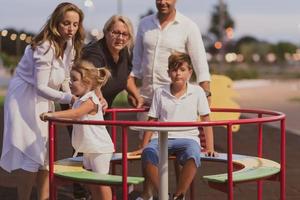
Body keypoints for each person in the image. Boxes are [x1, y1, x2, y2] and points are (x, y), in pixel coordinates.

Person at [0, 2, 85, 200]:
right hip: (24, 99)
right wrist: (69, 98)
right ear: (56, 23)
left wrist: (73, 96)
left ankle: (44, 198)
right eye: (66, 23)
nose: (71, 29)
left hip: (44, 98)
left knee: (46, 155)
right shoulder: (45, 46)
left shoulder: (69, 44)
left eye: (75, 24)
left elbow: (64, 77)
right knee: (33, 153)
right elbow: (40, 86)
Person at [133, 52, 217, 200]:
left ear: (190, 72)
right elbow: (152, 119)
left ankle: (179, 195)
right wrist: (144, 145)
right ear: (168, 73)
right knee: (148, 153)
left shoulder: (197, 92)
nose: (178, 73)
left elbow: (206, 119)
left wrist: (210, 147)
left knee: (193, 154)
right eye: (174, 70)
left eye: (182, 70)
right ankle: (163, 194)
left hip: (188, 137)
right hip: (162, 137)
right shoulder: (160, 92)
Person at [40, 60, 114, 200]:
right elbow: (72, 119)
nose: (69, 83)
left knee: (102, 182)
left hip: (99, 148)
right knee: (92, 182)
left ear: (86, 82)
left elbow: (75, 114)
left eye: (74, 79)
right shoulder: (80, 100)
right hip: (88, 147)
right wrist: (53, 121)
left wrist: (52, 114)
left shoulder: (91, 100)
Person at [81, 15, 142, 108]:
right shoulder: (94, 53)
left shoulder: (125, 52)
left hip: (105, 107)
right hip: (86, 107)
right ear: (106, 32)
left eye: (125, 34)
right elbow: (92, 81)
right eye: (116, 33)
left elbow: (126, 77)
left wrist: (136, 95)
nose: (120, 38)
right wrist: (100, 98)